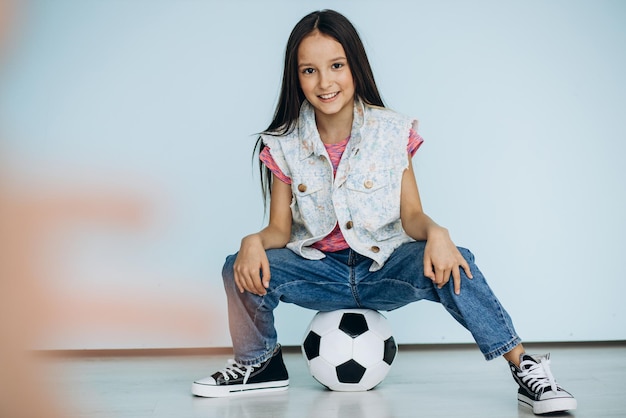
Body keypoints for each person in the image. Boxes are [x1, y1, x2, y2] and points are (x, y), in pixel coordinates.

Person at [192, 9, 576, 415]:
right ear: (296, 76)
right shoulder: (283, 144)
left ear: (355, 65)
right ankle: (259, 364)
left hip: (384, 269)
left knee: (457, 261)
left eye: (336, 66)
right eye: (309, 70)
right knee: (237, 265)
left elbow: (411, 216)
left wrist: (438, 234)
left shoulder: (392, 131)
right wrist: (252, 242)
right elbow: (279, 230)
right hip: (320, 272)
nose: (325, 82)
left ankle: (525, 367)